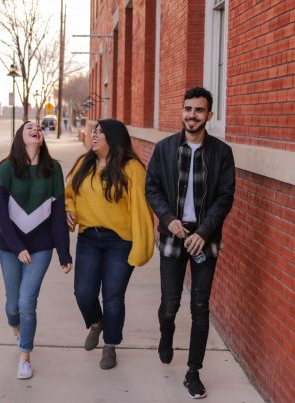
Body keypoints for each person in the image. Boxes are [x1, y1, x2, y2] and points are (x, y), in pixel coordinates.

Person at [145, 87, 235, 399]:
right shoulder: (165, 148)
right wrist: (167, 217)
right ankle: (165, 334)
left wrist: (205, 231)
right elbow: (152, 187)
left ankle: (193, 372)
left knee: (200, 307)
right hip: (173, 234)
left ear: (209, 115)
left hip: (204, 239)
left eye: (198, 110)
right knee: (170, 305)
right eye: (187, 109)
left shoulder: (221, 153)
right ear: (182, 111)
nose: (191, 115)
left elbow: (225, 197)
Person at [65, 119, 154, 370]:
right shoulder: (84, 164)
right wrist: (69, 210)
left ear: (113, 138)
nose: (93, 135)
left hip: (120, 242)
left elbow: (140, 210)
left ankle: (110, 345)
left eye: (99, 132)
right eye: (93, 131)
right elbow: (69, 195)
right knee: (83, 293)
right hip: (89, 238)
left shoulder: (132, 169)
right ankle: (96, 323)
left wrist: (142, 247)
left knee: (113, 297)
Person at [0, 121, 72, 379]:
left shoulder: (53, 169)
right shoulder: (6, 168)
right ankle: (16, 327)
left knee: (27, 302)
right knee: (12, 306)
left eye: (39, 127)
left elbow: (59, 214)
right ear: (20, 136)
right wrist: (17, 248)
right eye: (29, 127)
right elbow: (1, 215)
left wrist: (64, 253)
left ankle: (25, 355)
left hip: (40, 248)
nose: (35, 129)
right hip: (10, 247)